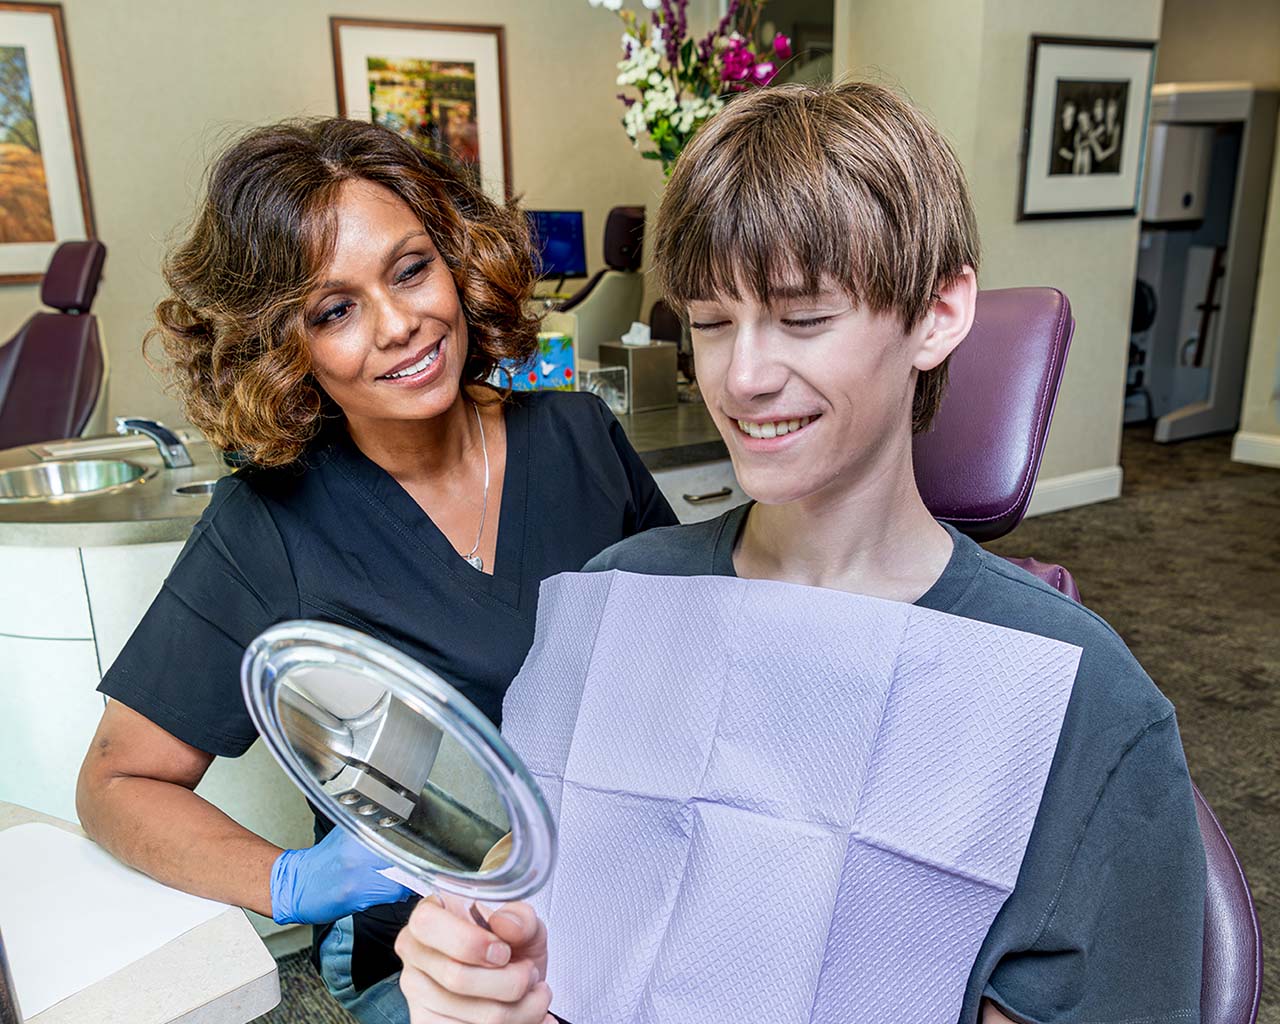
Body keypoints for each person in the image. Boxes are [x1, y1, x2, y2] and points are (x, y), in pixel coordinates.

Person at [394, 82, 1207, 1024]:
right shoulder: (617, 602)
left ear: (939, 312)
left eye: (805, 317)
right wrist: (484, 982)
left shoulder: (1074, 697)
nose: (740, 376)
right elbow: (543, 932)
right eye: (707, 322)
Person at [74, 117, 676, 1023]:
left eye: (409, 270)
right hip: (433, 949)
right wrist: (290, 880)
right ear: (283, 348)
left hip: (627, 894)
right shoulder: (270, 523)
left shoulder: (582, 439)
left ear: (456, 258)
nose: (400, 327)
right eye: (334, 311)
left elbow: (698, 662)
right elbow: (117, 783)